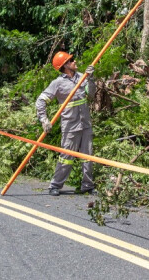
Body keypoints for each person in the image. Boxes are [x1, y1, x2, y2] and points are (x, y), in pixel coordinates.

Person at [36, 51, 97, 196]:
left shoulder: (82, 77)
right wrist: (44, 119)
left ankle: (87, 185)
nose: (75, 62)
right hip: (70, 125)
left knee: (88, 156)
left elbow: (91, 95)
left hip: (85, 124)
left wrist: (91, 79)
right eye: (71, 60)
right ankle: (55, 185)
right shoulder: (57, 83)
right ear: (65, 66)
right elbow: (41, 101)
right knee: (66, 157)